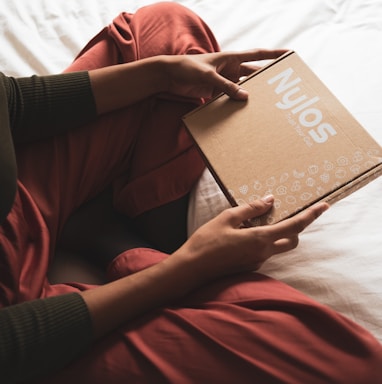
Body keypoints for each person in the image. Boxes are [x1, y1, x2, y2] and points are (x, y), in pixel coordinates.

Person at [0, 2, 381, 383]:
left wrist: (161, 74)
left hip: (13, 208)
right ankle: (117, 245)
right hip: (26, 334)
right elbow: (15, 345)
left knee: (166, 29)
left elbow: (10, 102)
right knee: (350, 369)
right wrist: (191, 266)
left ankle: (126, 223)